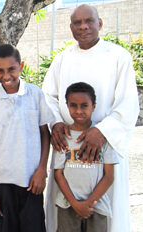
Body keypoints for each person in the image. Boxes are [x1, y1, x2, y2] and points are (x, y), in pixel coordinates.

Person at [42, 4, 139, 232]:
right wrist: (56, 122)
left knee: (104, 217)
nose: (83, 26)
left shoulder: (118, 57)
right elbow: (47, 97)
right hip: (69, 149)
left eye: (89, 21)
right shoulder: (62, 59)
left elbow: (128, 103)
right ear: (71, 27)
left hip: (104, 148)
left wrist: (102, 132)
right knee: (66, 218)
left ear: (100, 24)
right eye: (77, 23)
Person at [0, 44, 54, 232]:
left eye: (12, 69)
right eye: (0, 71)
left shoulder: (35, 94)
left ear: (21, 66)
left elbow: (45, 134)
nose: (6, 76)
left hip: (31, 182)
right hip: (1, 184)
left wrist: (42, 170)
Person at [54, 82, 118, 232]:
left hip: (97, 206)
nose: (78, 111)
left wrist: (88, 204)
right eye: (73, 105)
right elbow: (58, 174)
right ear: (67, 106)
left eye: (84, 106)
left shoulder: (103, 138)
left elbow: (109, 176)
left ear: (93, 106)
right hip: (67, 204)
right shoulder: (63, 137)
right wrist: (75, 204)